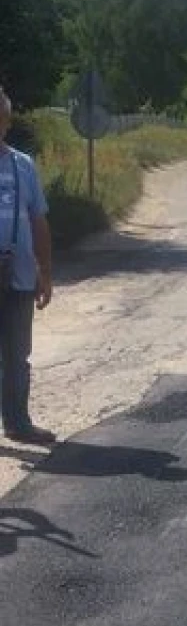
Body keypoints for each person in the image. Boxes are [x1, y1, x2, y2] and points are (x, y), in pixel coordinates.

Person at [0, 86, 56, 445]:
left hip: (17, 277)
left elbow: (38, 220)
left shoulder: (23, 165)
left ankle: (17, 423)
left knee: (17, 356)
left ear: (5, 122)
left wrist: (45, 271)